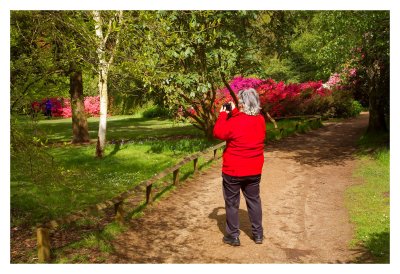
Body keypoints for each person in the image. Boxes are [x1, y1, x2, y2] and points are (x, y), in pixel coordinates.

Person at [213, 88, 266, 246]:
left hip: (233, 170)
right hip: (254, 169)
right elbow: (245, 122)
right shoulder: (260, 120)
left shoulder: (234, 121)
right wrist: (235, 110)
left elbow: (218, 133)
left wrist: (224, 112)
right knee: (254, 201)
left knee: (232, 203)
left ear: (241, 103)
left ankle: (233, 236)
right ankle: (258, 235)